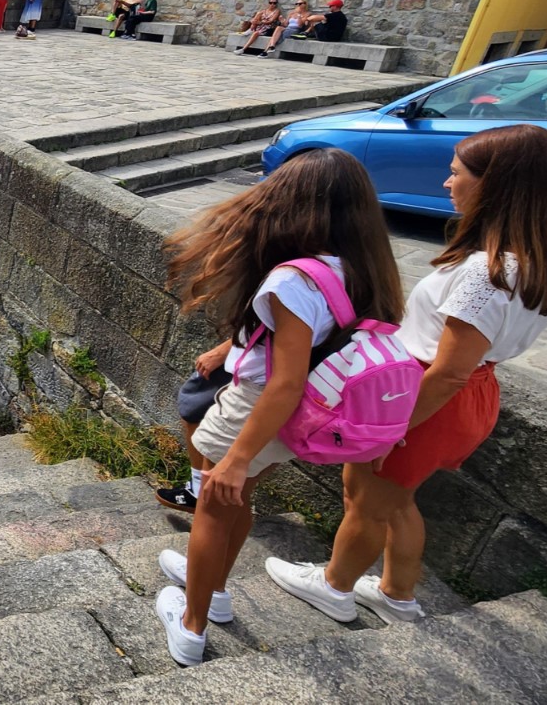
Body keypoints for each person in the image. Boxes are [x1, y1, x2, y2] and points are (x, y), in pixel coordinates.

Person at [267, 125, 547, 626]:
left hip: (423, 395)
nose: (447, 183)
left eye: (457, 173)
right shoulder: (540, 263)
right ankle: (397, 594)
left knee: (367, 501)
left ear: (495, 185)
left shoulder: (487, 272)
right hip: (464, 393)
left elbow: (450, 370)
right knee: (396, 498)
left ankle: (334, 587)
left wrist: (393, 429)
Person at [154, 148, 405, 666]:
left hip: (256, 409)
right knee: (238, 501)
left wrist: (238, 456)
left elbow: (283, 381)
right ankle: (213, 590)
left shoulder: (293, 280)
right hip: (299, 417)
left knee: (212, 509)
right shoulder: (359, 269)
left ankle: (191, 625)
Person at [152, 340, 233, 513]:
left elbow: (267, 325)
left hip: (253, 360)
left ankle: (198, 491)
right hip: (258, 359)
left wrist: (224, 350)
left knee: (194, 405)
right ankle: (202, 491)